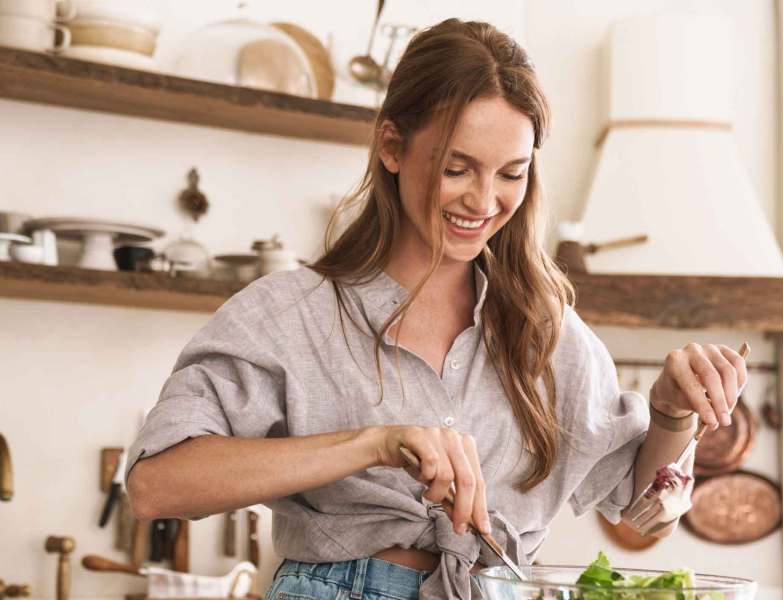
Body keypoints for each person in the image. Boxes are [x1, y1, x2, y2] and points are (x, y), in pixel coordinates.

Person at [126, 18, 748, 600]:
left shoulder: (550, 334)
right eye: (458, 168)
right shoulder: (290, 314)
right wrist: (375, 443)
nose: (484, 200)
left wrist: (670, 415)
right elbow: (157, 485)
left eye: (512, 173)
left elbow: (644, 520)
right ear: (392, 147)